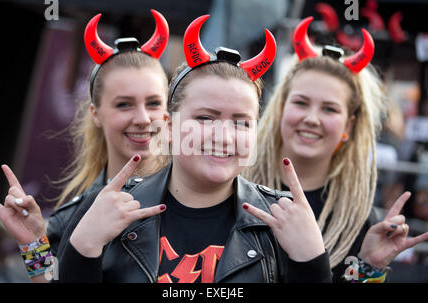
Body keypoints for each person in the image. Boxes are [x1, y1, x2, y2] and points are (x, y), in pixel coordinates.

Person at [54, 14, 332, 283]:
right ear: (169, 127)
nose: (224, 137)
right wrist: (82, 251)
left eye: (241, 123)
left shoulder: (281, 222)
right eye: (205, 118)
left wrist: (312, 266)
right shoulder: (104, 207)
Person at [0, 10, 171, 282]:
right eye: (124, 104)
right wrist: (33, 244)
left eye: (153, 103)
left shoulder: (199, 200)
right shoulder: (71, 216)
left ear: (167, 112)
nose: (142, 119)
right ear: (96, 113)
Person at [243, 16, 428, 282]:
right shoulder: (234, 188)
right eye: (301, 103)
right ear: (281, 107)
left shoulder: (357, 221)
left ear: (349, 125)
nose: (312, 118)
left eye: (329, 108)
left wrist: (366, 270)